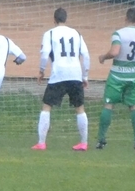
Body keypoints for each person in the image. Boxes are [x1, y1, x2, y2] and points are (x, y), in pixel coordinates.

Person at [96, 7, 135, 150]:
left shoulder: (119, 34)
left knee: (109, 105)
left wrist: (103, 57)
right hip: (133, 77)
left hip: (117, 75)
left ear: (126, 18)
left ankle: (101, 140)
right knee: (134, 106)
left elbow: (114, 52)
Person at [33, 8, 91, 151]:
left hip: (58, 74)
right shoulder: (76, 33)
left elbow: (45, 54)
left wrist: (41, 71)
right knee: (80, 108)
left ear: (54, 19)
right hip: (75, 74)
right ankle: (84, 143)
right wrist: (85, 76)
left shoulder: (49, 34)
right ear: (66, 19)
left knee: (47, 106)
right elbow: (86, 55)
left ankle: (41, 143)